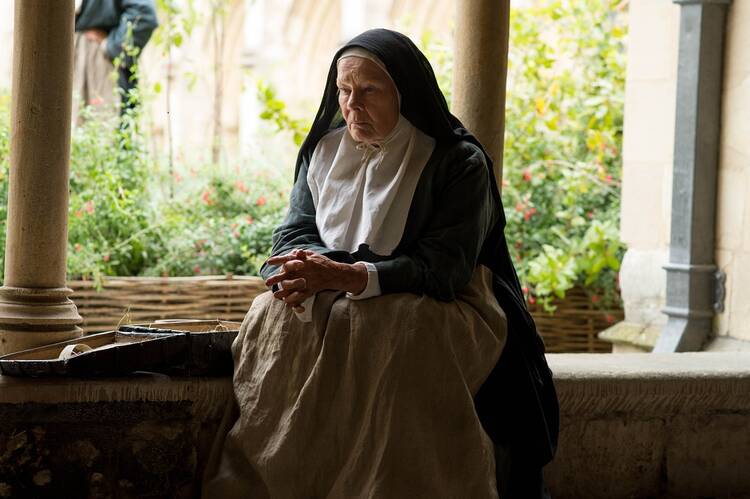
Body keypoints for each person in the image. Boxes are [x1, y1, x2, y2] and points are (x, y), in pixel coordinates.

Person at [203, 29, 558, 498]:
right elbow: (292, 233)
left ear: (404, 93)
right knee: (272, 316)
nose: (353, 104)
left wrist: (350, 276)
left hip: (445, 300)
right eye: (344, 91)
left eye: (369, 90)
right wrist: (293, 272)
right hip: (337, 290)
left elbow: (445, 269)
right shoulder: (323, 152)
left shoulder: (457, 162)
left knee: (396, 330)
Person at [72, 0, 158, 123]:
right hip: (77, 58)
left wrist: (110, 45)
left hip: (101, 63)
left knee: (103, 128)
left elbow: (144, 13)